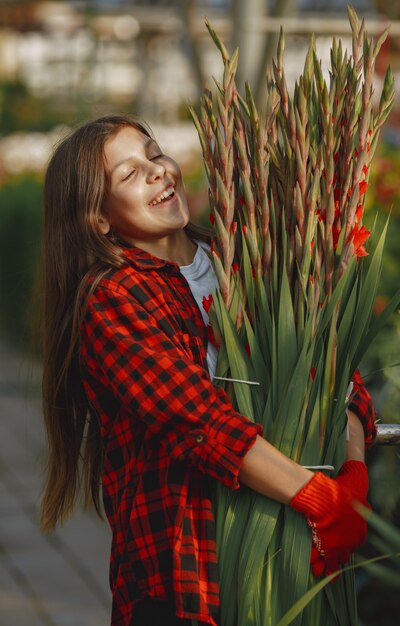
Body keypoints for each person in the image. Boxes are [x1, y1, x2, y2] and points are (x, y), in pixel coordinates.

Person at [40, 115, 377, 626]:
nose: (157, 172)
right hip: (186, 581)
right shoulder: (113, 298)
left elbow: (337, 373)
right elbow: (196, 419)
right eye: (129, 175)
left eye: (154, 155)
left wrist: (350, 477)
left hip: (292, 559)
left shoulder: (248, 259)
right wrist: (320, 499)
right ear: (98, 218)